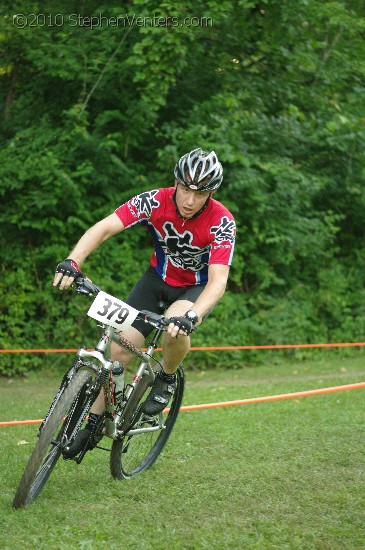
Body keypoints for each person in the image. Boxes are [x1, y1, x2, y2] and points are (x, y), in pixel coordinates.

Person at [53, 147, 236, 456]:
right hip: (155, 280)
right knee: (118, 349)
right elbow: (106, 226)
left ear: (211, 192)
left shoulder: (222, 221)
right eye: (186, 189)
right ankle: (93, 422)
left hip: (194, 289)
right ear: (175, 182)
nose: (190, 200)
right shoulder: (154, 200)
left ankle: (166, 377)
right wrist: (73, 261)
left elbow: (218, 280)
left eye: (200, 193)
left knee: (174, 330)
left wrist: (193, 315)